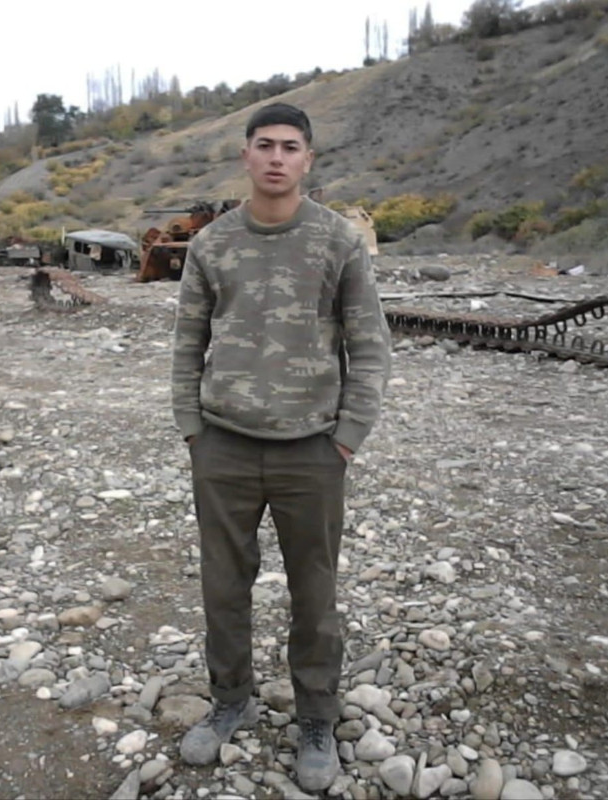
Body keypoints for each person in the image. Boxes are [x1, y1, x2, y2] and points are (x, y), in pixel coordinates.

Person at [171, 102, 391, 791]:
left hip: (312, 451)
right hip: (224, 447)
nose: (275, 157)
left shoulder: (338, 240)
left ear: (307, 159)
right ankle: (230, 700)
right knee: (223, 587)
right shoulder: (211, 245)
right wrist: (191, 428)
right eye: (264, 144)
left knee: (314, 595)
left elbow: (370, 346)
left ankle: (317, 718)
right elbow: (187, 342)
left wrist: (347, 438)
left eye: (289, 147)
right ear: (245, 154)